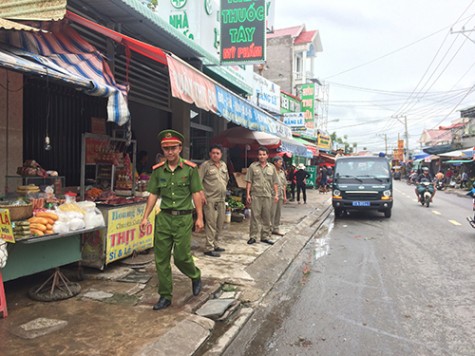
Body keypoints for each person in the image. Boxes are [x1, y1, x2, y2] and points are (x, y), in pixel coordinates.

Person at [140, 129, 203, 311]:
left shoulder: (190, 170)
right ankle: (165, 296)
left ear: (180, 148)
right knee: (161, 259)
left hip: (183, 219)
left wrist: (199, 217)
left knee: (181, 257)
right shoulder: (158, 171)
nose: (170, 152)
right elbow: (153, 194)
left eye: (173, 148)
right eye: (166, 148)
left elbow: (196, 193)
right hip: (164, 219)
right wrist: (145, 217)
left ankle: (195, 274)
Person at [199, 144, 229, 258]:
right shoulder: (205, 166)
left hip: (221, 199)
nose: (215, 155)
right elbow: (198, 181)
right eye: (213, 153)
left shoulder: (223, 165)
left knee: (220, 223)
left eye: (218, 153)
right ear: (210, 154)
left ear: (221, 154)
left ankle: (216, 244)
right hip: (210, 200)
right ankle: (209, 247)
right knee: (211, 224)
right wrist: (202, 195)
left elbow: (226, 179)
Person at [245, 146, 279, 245]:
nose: (262, 156)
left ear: (267, 156)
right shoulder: (253, 166)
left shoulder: (272, 167)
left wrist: (276, 195)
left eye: (264, 154)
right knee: (255, 217)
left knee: (267, 217)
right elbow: (249, 181)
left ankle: (265, 237)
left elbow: (275, 182)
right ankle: (253, 237)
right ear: (257, 155)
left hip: (268, 196)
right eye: (260, 154)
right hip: (256, 195)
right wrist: (247, 194)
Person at [271, 156, 287, 236]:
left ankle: (275, 229)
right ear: (275, 162)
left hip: (280, 194)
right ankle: (268, 229)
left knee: (278, 212)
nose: (281, 164)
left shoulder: (282, 172)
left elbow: (284, 185)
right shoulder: (270, 171)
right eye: (280, 162)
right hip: (272, 194)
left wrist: (285, 196)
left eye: (281, 162)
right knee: (271, 212)